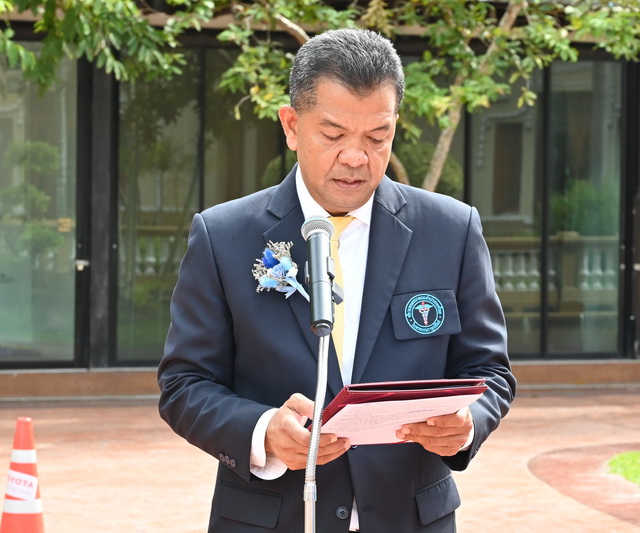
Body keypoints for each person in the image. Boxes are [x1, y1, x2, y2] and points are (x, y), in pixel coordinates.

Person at [158, 28, 515, 532]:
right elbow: (183, 385)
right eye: (333, 135)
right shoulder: (224, 237)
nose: (355, 157)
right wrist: (262, 430)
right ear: (291, 125)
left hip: (410, 517)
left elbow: (489, 370)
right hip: (271, 519)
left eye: (377, 137)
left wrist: (466, 425)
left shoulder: (451, 230)